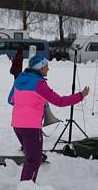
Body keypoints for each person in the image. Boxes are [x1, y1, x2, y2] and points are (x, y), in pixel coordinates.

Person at [8, 54, 88, 182]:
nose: (48, 69)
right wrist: (80, 95)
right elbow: (60, 101)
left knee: (31, 158)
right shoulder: (39, 84)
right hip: (31, 127)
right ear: (39, 68)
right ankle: (26, 188)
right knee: (34, 160)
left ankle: (25, 186)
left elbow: (10, 100)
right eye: (46, 66)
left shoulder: (19, 79)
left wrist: (27, 103)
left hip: (17, 125)